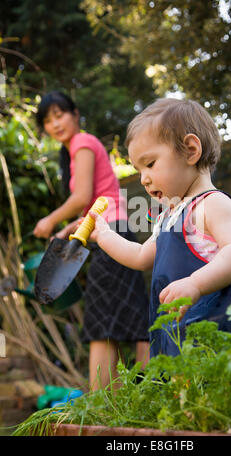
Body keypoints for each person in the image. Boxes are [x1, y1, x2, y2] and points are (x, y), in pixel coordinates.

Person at [88, 97, 231, 358]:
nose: (144, 179)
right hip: (181, 338)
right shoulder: (169, 216)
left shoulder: (213, 204)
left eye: (150, 164)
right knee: (187, 393)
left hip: (222, 331)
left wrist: (196, 284)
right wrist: (105, 235)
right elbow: (140, 256)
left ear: (191, 150)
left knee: (224, 390)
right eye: (138, 169)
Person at [33, 91, 150, 389]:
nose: (55, 124)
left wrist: (50, 221)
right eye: (48, 120)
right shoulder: (77, 149)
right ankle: (136, 398)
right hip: (114, 230)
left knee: (101, 320)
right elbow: (97, 203)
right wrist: (66, 231)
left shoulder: (82, 143)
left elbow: (83, 197)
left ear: (74, 114)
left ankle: (100, 405)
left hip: (110, 234)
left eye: (59, 115)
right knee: (128, 315)